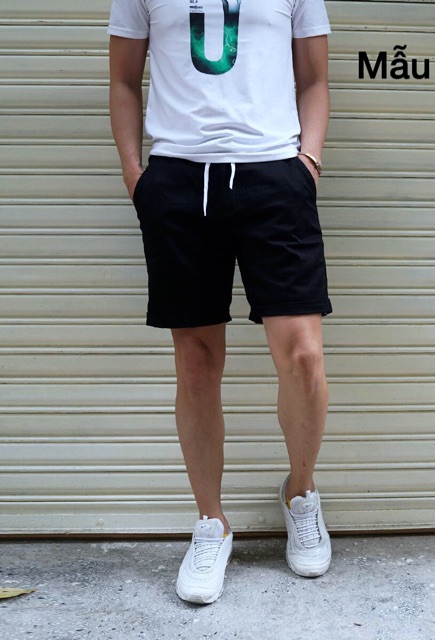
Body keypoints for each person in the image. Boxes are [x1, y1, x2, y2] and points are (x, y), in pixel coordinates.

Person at [108, 0, 333, 604]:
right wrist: (136, 175)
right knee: (196, 363)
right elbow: (124, 79)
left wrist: (307, 163)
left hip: (274, 175)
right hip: (180, 180)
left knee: (303, 356)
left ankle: (301, 493)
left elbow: (314, 78)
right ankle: (212, 523)